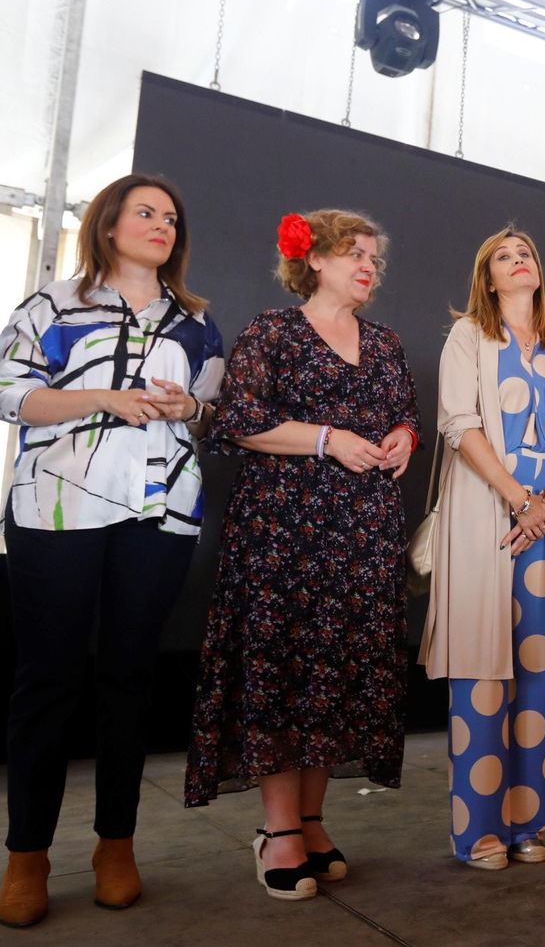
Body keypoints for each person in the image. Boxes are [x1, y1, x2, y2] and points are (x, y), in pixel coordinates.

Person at [0, 174, 225, 927]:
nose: (162, 224)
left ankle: (115, 844)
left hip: (160, 516)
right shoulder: (53, 304)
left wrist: (191, 407)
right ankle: (28, 855)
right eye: (146, 211)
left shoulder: (198, 323)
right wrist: (103, 398)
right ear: (108, 223)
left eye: (172, 217)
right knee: (47, 681)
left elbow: (213, 416)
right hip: (56, 509)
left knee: (130, 678)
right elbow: (6, 396)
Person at [185, 210, 420, 901]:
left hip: (363, 533)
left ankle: (313, 820)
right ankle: (278, 828)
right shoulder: (273, 331)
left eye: (375, 255)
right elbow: (240, 420)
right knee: (284, 671)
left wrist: (404, 435)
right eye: (355, 252)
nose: (369, 265)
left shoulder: (383, 341)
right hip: (284, 531)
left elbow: (403, 408)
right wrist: (328, 439)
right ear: (313, 260)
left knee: (338, 672)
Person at [418, 227, 545, 870]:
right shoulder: (470, 337)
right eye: (503, 257)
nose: (518, 261)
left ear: (538, 273)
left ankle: (527, 823)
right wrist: (520, 498)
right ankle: (477, 830)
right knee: (484, 667)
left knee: (537, 671)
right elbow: (459, 424)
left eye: (526, 254)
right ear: (488, 279)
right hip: (488, 512)